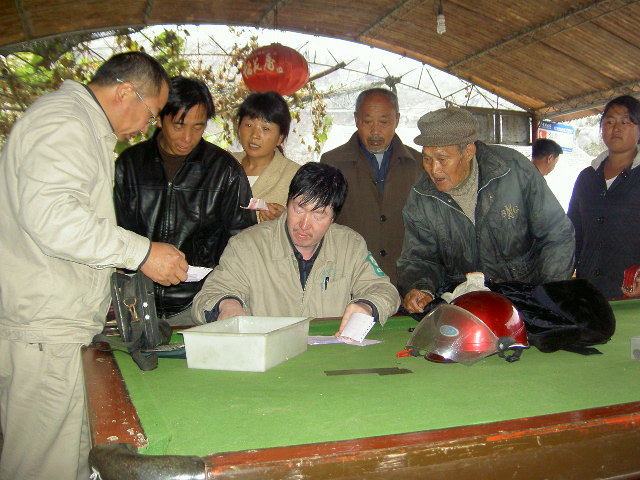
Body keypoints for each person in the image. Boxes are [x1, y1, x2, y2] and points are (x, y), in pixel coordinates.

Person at [0, 52, 188, 480]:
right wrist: (142, 253)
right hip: (46, 329)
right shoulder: (66, 123)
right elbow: (54, 219)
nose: (148, 128)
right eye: (152, 114)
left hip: (53, 325)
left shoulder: (78, 124)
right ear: (125, 92)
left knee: (72, 459)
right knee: (45, 466)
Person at [398, 107, 575, 314]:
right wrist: (420, 287)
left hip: (526, 302)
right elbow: (419, 258)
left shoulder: (513, 170)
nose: (433, 169)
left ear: (468, 152)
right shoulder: (422, 196)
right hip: (465, 307)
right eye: (427, 159)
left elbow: (556, 234)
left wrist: (549, 294)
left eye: (442, 159)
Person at [192, 162, 400, 334]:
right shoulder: (247, 245)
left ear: (333, 218)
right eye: (299, 208)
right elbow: (207, 297)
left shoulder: (349, 245)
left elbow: (385, 291)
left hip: (330, 354)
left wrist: (366, 305)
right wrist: (227, 305)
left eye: (318, 214)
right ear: (288, 202)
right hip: (269, 356)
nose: (304, 224)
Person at [114, 76, 256, 326]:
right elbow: (113, 231)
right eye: (178, 126)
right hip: (136, 303)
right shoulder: (130, 165)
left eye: (198, 127)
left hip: (198, 304)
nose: (188, 138)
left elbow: (243, 242)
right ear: (160, 118)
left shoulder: (224, 171)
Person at [320, 88, 421, 285]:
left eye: (384, 122)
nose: (375, 131)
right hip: (349, 277)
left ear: (397, 119)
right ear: (356, 119)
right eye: (367, 122)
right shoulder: (332, 163)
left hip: (405, 280)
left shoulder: (418, 164)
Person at [568, 95, 640, 299]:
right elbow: (572, 232)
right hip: (588, 291)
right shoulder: (587, 177)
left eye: (625, 122)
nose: (616, 128)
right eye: (609, 122)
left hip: (631, 294)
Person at [231, 91, 300, 222]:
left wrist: (285, 220)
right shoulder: (225, 163)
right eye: (249, 125)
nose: (255, 135)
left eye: (265, 128)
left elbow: (308, 223)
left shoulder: (295, 176)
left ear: (280, 138)